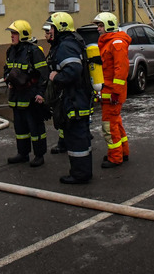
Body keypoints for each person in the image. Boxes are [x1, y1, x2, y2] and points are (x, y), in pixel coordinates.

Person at [45, 12, 94, 184]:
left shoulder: (66, 46)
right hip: (77, 97)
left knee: (76, 137)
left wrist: (55, 77)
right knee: (80, 136)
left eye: (51, 27)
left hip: (74, 99)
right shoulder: (71, 43)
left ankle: (79, 174)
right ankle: (83, 171)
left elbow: (73, 70)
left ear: (60, 28)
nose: (48, 31)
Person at [2, 20, 50, 167]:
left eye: (14, 33)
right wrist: (8, 81)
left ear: (23, 34)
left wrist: (41, 94)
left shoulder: (33, 51)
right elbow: (6, 69)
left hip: (31, 97)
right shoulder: (11, 51)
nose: (12, 36)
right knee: (20, 128)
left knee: (35, 128)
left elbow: (44, 74)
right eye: (11, 33)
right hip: (17, 97)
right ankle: (22, 153)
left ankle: (39, 155)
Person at [94, 13, 131, 168]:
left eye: (100, 25)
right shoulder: (109, 42)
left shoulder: (116, 44)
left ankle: (115, 157)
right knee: (115, 122)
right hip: (109, 92)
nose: (98, 29)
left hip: (112, 93)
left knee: (109, 126)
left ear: (108, 25)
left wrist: (115, 92)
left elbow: (120, 71)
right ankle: (122, 151)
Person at [43, 19, 66, 156]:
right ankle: (63, 142)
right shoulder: (55, 46)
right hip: (58, 87)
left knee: (62, 116)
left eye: (48, 32)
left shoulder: (62, 46)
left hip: (62, 88)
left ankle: (64, 143)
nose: (46, 35)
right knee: (60, 117)